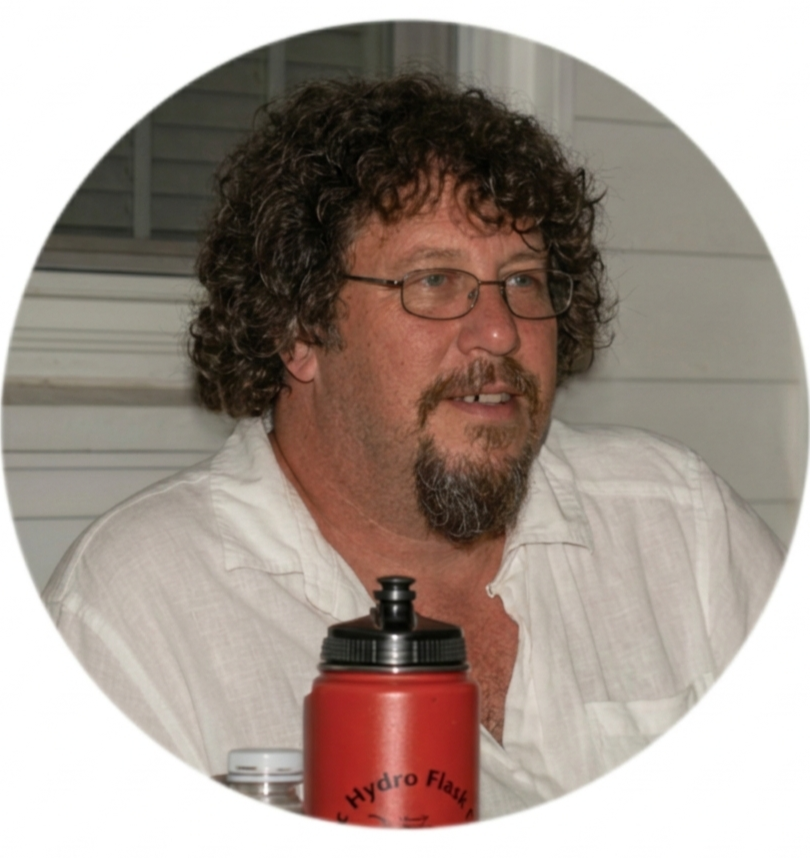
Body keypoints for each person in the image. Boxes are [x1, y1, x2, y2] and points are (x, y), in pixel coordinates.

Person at [42, 73, 783, 820]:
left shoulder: (682, 527)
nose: (501, 331)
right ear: (299, 331)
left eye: (524, 281)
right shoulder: (137, 610)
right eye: (434, 281)